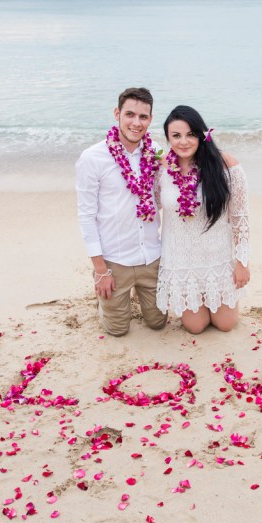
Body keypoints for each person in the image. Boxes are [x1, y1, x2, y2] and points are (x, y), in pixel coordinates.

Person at [75, 87, 168, 336]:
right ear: (117, 113)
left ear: (150, 119)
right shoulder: (92, 158)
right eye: (130, 114)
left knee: (158, 322)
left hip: (151, 256)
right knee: (117, 330)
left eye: (143, 117)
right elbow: (86, 216)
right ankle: (108, 300)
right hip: (115, 261)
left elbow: (176, 179)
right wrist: (100, 270)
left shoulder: (155, 151)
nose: (136, 123)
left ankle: (139, 295)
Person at [156, 105, 250, 333]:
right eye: (176, 136)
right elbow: (147, 206)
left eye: (190, 134)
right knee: (196, 327)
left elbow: (239, 218)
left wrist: (242, 263)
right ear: (168, 138)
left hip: (216, 256)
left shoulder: (226, 166)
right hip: (182, 260)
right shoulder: (161, 169)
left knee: (226, 324)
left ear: (202, 134)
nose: (183, 142)